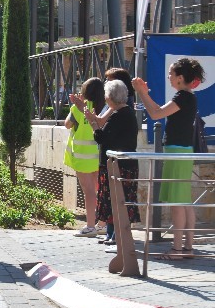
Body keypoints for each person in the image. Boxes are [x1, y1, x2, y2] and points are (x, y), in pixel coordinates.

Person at [132, 58, 205, 260]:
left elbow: (155, 114)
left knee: (177, 202)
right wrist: (144, 94)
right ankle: (186, 247)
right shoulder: (186, 96)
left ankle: (177, 249)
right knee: (184, 201)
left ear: (180, 78)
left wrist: (142, 92)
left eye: (171, 74)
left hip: (177, 151)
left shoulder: (183, 96)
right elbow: (159, 111)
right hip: (182, 150)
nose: (169, 77)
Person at [84, 80, 140, 251]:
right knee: (109, 200)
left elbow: (102, 138)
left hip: (120, 166)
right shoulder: (123, 112)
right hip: (114, 164)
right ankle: (110, 234)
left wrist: (93, 123)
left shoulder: (120, 115)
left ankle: (117, 236)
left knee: (117, 200)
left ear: (110, 97)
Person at [64, 77, 104, 238]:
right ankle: (102, 223)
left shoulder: (78, 108)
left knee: (89, 192)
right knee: (99, 190)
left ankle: (89, 226)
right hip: (98, 156)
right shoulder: (103, 108)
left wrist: (73, 106)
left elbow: (67, 124)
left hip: (82, 156)